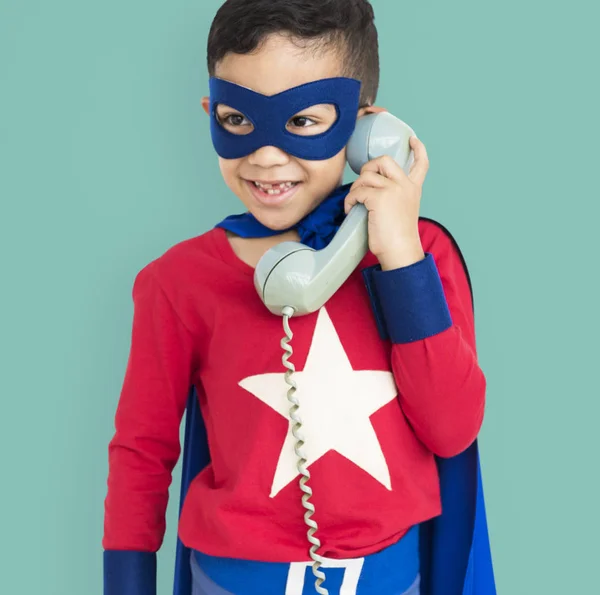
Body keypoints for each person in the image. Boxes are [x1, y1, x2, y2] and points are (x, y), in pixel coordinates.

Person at [102, 1, 496, 594]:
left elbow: (451, 430)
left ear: (367, 128)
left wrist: (399, 260)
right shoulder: (177, 281)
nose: (264, 156)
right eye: (237, 121)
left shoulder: (421, 256)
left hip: (388, 577)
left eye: (304, 122)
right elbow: (141, 453)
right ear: (211, 111)